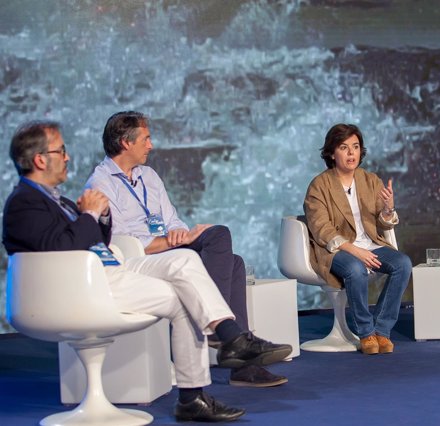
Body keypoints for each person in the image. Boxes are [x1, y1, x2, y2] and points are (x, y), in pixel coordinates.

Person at [2, 121, 292, 422]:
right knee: (187, 276)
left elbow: (93, 239)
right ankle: (231, 338)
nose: (67, 157)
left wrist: (100, 218)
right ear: (40, 159)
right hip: (81, 286)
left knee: (186, 277)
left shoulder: (57, 199)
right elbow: (65, 249)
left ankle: (195, 394)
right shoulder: (24, 202)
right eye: (61, 151)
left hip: (107, 272)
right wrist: (89, 213)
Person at [85, 111, 286, 387]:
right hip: (139, 256)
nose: (151, 145)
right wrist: (169, 241)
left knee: (232, 259)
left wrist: (181, 232)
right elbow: (119, 238)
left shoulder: (149, 176)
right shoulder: (101, 183)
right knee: (220, 237)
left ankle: (239, 359)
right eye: (146, 138)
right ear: (125, 142)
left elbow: (170, 218)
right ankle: (224, 334)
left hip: (168, 246)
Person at [303, 123, 412, 355]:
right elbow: (322, 229)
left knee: (402, 264)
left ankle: (382, 330)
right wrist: (356, 252)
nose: (351, 153)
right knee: (355, 269)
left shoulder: (370, 180)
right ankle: (366, 332)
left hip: (370, 244)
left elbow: (382, 224)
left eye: (355, 147)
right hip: (336, 250)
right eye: (344, 147)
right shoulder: (319, 186)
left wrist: (388, 210)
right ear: (332, 153)